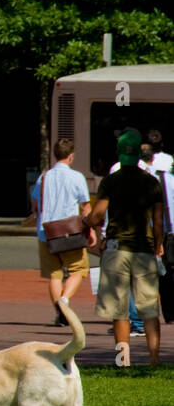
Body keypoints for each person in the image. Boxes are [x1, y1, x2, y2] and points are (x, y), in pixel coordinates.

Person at [84, 130, 164, 365]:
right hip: (144, 248)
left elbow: (98, 214)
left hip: (117, 249)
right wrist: (158, 245)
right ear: (140, 152)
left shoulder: (111, 180)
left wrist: (89, 222)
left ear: (119, 153)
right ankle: (154, 359)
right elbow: (158, 220)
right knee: (149, 308)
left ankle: (123, 361)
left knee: (119, 311)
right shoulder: (151, 182)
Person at [29, 139, 94, 327]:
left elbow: (35, 204)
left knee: (54, 275)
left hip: (46, 231)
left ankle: (59, 313)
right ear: (71, 156)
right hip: (70, 232)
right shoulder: (77, 178)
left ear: (55, 155)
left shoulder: (44, 177)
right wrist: (90, 231)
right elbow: (86, 207)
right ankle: (64, 301)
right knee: (78, 270)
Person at [148, 129, 174, 322]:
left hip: (155, 227)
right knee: (168, 270)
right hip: (169, 228)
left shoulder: (146, 175)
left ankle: (163, 311)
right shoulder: (171, 177)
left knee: (160, 270)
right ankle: (170, 312)